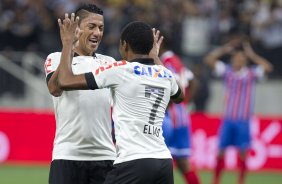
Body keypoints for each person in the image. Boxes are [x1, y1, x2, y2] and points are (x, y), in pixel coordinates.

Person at [56, 12, 184, 184]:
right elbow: (180, 96)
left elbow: (64, 81)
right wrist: (155, 57)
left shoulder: (121, 70)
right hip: (164, 161)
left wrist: (67, 44)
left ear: (125, 45)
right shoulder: (165, 75)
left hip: (134, 162)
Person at [44, 4, 116, 184]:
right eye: (91, 27)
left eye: (101, 28)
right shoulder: (54, 58)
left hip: (105, 156)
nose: (98, 33)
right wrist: (68, 44)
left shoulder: (110, 63)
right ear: (76, 29)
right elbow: (55, 88)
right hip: (67, 155)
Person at [204, 38, 273, 184]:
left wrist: (252, 54)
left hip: (243, 120)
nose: (238, 61)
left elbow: (268, 67)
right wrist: (225, 48)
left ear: (245, 61)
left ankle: (241, 180)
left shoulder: (251, 74)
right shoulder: (227, 72)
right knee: (221, 151)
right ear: (232, 60)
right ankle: (216, 180)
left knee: (243, 152)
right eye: (236, 58)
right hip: (228, 119)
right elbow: (209, 59)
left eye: (241, 59)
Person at [160, 34, 200, 184]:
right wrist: (185, 103)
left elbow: (172, 83)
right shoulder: (177, 61)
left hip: (171, 118)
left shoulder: (167, 62)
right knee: (183, 164)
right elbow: (193, 81)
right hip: (182, 116)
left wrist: (171, 104)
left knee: (160, 161)